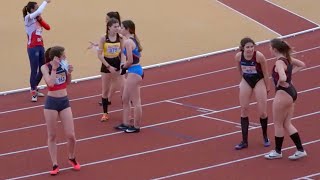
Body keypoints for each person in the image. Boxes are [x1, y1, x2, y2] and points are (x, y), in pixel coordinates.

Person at [264, 38, 307, 160]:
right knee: (287, 123)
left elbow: (282, 77)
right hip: (291, 92)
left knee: (278, 124)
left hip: (282, 94)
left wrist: (280, 82)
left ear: (275, 49)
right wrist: (289, 77)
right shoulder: (288, 59)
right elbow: (302, 65)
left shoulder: (279, 62)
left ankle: (277, 151)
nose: (269, 50)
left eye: (270, 47)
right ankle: (300, 150)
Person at [41, 46, 80, 175]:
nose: (65, 58)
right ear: (56, 57)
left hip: (64, 101)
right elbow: (50, 84)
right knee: (52, 135)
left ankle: (71, 157)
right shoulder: (45, 67)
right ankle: (55, 164)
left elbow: (68, 82)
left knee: (71, 135)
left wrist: (69, 73)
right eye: (63, 56)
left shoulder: (64, 65)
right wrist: (54, 69)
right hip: (51, 103)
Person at [234, 37, 271, 150]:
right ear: (242, 48)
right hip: (246, 81)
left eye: (252, 47)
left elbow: (265, 72)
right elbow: (239, 70)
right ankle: (244, 141)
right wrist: (242, 81)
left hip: (259, 81)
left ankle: (265, 137)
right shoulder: (238, 56)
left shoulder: (259, 56)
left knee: (262, 112)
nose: (250, 49)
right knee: (244, 109)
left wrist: (267, 87)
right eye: (247, 47)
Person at [87, 11, 123, 108]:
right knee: (115, 81)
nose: (105, 21)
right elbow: (109, 42)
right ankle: (108, 99)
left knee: (118, 81)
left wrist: (122, 61)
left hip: (118, 59)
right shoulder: (111, 31)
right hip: (113, 58)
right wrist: (97, 45)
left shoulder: (118, 31)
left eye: (107, 19)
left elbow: (120, 44)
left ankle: (111, 99)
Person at [115, 20, 143, 133]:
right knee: (125, 99)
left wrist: (123, 67)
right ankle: (125, 123)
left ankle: (136, 126)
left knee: (136, 101)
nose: (120, 29)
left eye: (121, 27)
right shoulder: (132, 40)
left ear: (127, 29)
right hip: (133, 71)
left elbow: (130, 60)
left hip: (134, 72)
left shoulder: (128, 42)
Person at [23, 0, 51, 102]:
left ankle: (35, 87)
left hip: (40, 46)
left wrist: (40, 20)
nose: (38, 9)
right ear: (31, 10)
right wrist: (45, 2)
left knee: (43, 69)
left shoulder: (37, 18)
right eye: (36, 7)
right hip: (32, 47)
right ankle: (33, 92)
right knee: (34, 70)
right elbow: (38, 11)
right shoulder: (27, 18)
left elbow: (48, 27)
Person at [96, 18, 124, 122]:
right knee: (105, 90)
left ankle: (127, 111)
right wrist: (108, 66)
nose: (117, 28)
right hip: (106, 64)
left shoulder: (120, 38)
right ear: (109, 27)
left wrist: (122, 63)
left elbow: (123, 52)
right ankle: (105, 113)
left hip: (117, 63)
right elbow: (99, 55)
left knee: (121, 86)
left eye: (118, 26)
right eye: (115, 27)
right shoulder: (104, 38)